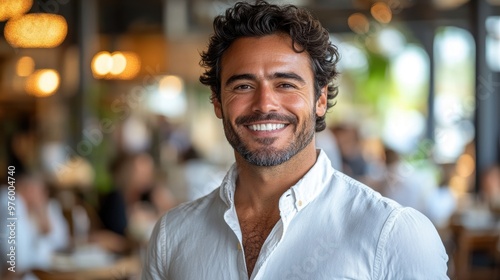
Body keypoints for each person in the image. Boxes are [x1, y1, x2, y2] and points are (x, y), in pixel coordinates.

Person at [143, 1, 449, 279]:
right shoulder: (173, 235)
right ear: (218, 102)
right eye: (244, 86)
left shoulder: (393, 233)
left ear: (319, 99)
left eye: (286, 83)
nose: (265, 104)